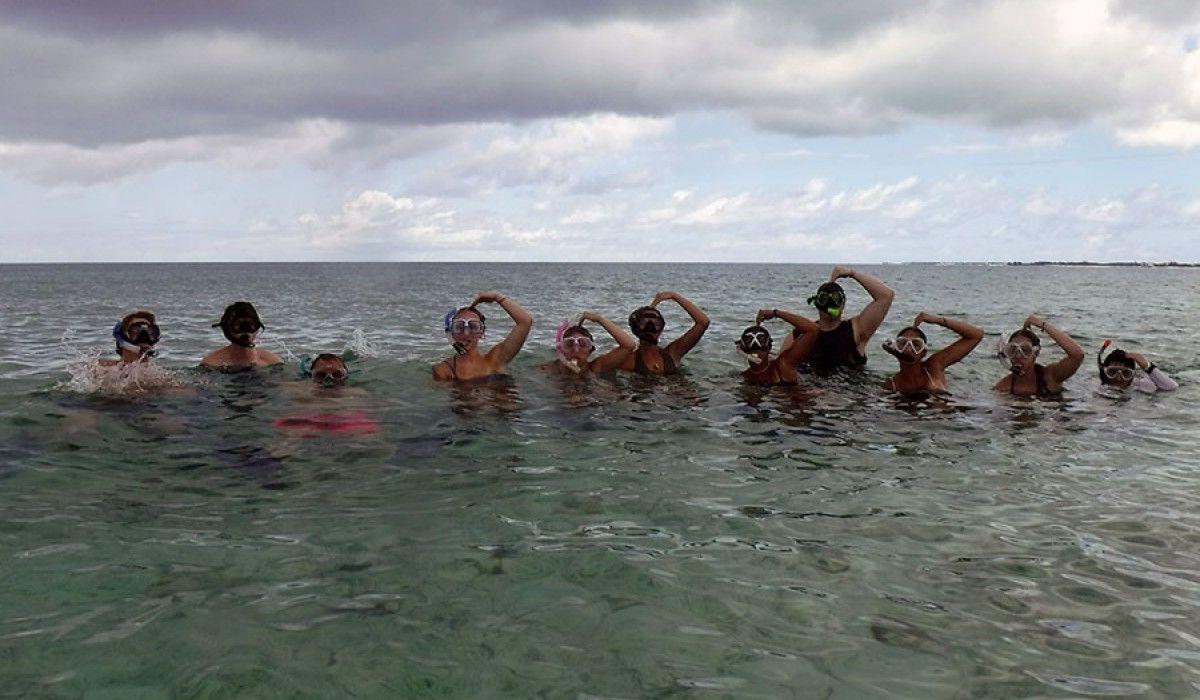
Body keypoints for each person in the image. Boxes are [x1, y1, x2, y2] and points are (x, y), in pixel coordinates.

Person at [779, 266, 894, 375]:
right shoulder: (799, 335)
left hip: (849, 395)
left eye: (835, 299)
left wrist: (851, 273)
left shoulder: (856, 330)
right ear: (817, 303)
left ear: (843, 304)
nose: (830, 304)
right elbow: (780, 367)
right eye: (824, 299)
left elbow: (886, 296)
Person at [433, 291, 533, 381]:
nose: (466, 333)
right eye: (459, 327)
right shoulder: (444, 370)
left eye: (473, 326)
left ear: (482, 332)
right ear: (451, 333)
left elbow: (525, 322)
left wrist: (497, 297)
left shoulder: (496, 359)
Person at [882, 312, 983, 396]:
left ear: (924, 353)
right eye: (902, 343)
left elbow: (976, 335)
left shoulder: (933, 367)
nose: (909, 349)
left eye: (916, 344)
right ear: (894, 350)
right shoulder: (892, 384)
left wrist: (937, 320)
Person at [618, 291, 710, 375]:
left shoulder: (673, 353)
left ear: (662, 328)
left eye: (656, 324)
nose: (651, 328)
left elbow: (703, 322)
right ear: (635, 329)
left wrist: (674, 296)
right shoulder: (628, 361)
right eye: (645, 323)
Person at [993, 314, 1084, 396]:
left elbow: (1077, 355)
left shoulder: (1051, 377)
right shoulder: (1003, 387)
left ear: (1036, 353)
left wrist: (1041, 324)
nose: (1018, 356)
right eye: (1012, 350)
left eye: (1025, 350)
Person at [736, 308, 820, 386]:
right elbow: (812, 329)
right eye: (753, 348)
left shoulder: (783, 365)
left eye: (760, 348)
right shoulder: (745, 376)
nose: (757, 353)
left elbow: (812, 329)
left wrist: (776, 313)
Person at [546, 312, 637, 375]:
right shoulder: (551, 369)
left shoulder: (595, 367)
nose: (576, 349)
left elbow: (629, 345)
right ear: (561, 349)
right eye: (569, 344)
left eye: (583, 344)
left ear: (590, 350)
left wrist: (599, 319)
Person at [200, 301, 284, 369]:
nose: (246, 330)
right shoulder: (212, 364)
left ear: (257, 328)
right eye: (238, 325)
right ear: (227, 329)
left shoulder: (272, 362)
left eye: (251, 324)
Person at [1096, 341, 1178, 393]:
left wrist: (1148, 367)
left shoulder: (1140, 384)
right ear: (1104, 373)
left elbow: (1172, 387)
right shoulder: (1097, 386)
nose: (1119, 378)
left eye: (1126, 373)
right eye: (1112, 372)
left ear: (1132, 375)